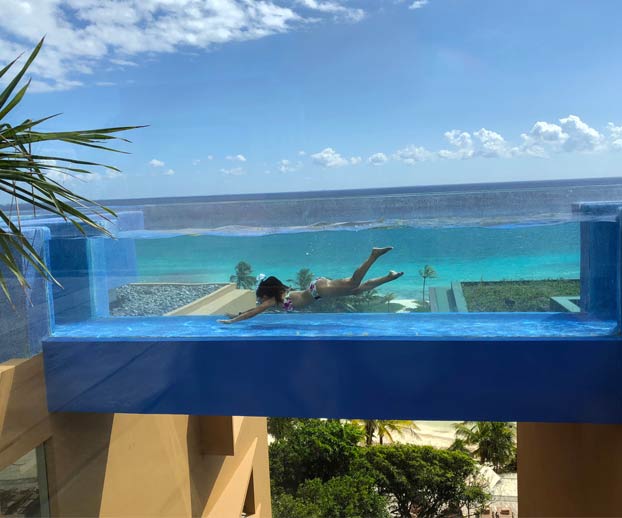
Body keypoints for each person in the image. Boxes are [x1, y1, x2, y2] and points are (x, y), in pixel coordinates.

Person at [218, 247, 403, 324]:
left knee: (353, 283)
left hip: (318, 290)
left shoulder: (274, 300)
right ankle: (389, 277)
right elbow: (252, 310)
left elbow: (255, 312)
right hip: (318, 290)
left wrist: (233, 321)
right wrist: (236, 314)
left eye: (261, 296)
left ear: (267, 294)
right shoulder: (277, 297)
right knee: (356, 290)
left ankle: (374, 255)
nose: (260, 300)